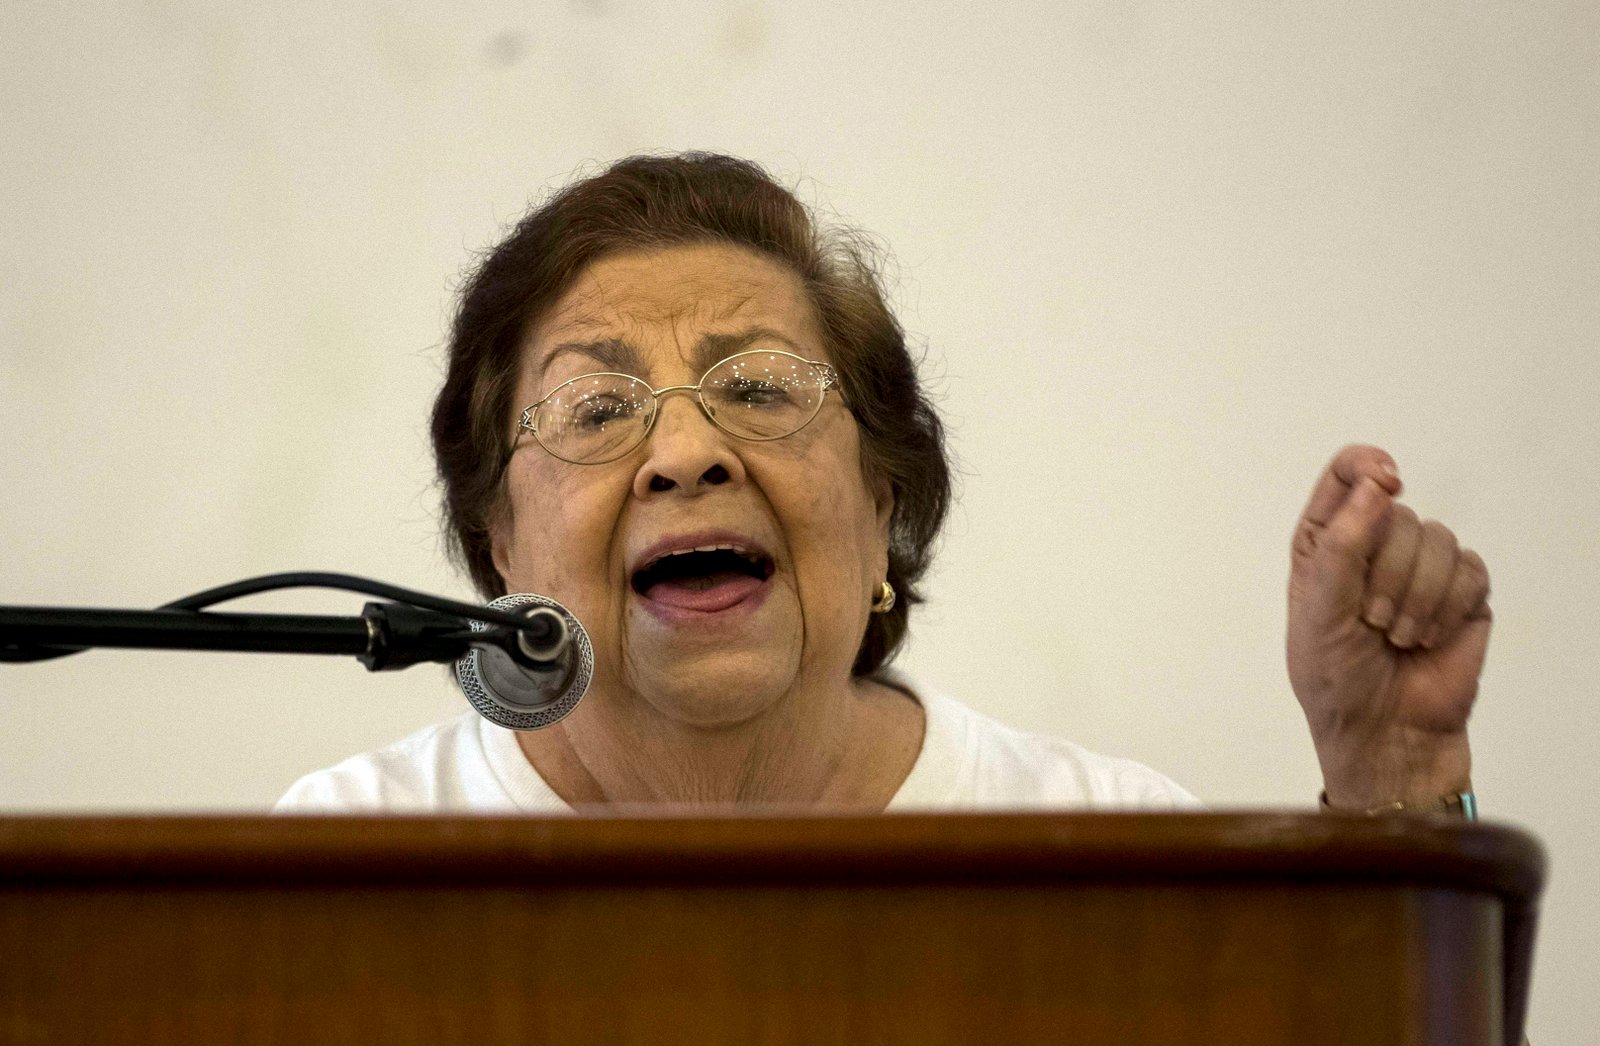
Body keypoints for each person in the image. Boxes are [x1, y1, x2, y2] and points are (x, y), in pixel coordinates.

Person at [276, 153, 1490, 814]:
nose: (686, 453)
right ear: (499, 544)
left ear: (881, 503)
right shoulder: (351, 859)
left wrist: (1391, 785)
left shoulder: (1105, 844)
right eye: (599, 409)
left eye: (757, 390)